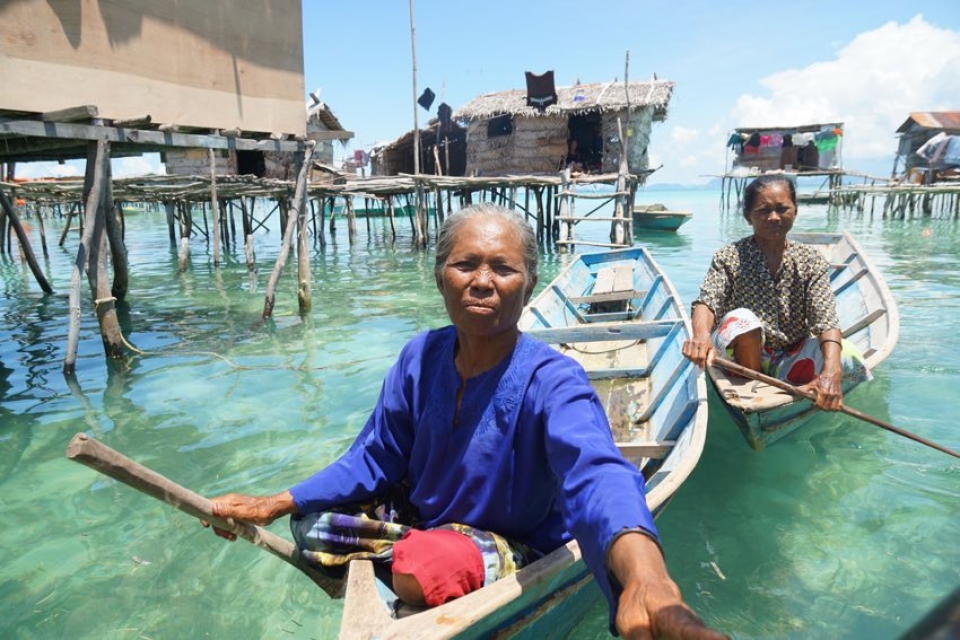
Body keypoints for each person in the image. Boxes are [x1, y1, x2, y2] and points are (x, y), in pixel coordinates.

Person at [207, 204, 727, 639]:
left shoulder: (554, 379)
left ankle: (426, 568)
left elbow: (597, 473)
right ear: (440, 278)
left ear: (529, 286)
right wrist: (275, 501)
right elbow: (376, 454)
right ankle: (423, 563)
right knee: (311, 522)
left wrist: (647, 579)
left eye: (503, 268)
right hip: (429, 522)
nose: (482, 282)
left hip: (515, 538)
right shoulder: (419, 357)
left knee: (423, 568)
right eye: (465, 265)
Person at [681, 174, 871, 410]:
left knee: (849, 357)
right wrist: (701, 336)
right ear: (748, 216)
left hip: (789, 356)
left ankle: (817, 390)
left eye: (782, 209)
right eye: (763, 211)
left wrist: (831, 372)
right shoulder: (729, 256)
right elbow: (707, 301)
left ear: (795, 211)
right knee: (743, 320)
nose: (774, 217)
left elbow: (826, 318)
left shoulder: (810, 259)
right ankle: (752, 387)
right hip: (739, 358)